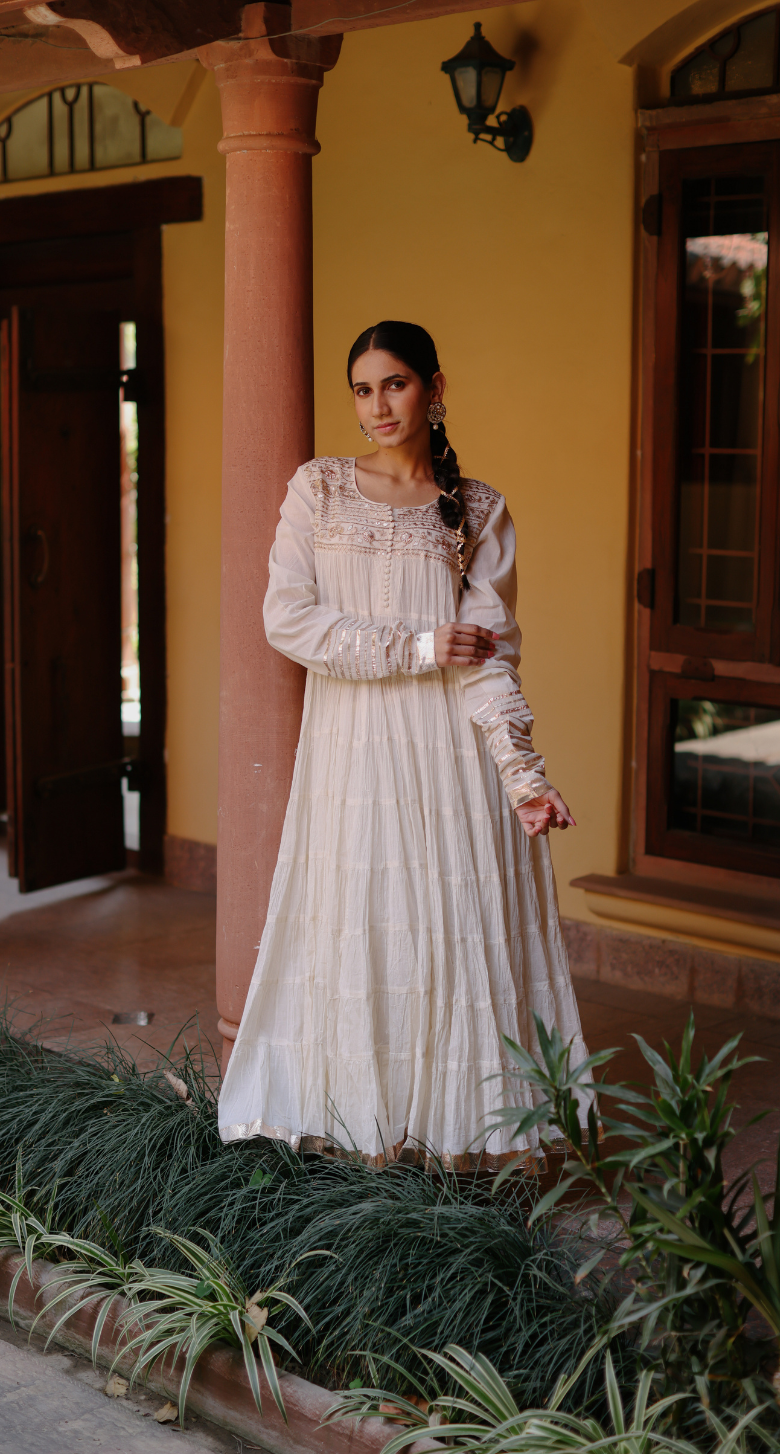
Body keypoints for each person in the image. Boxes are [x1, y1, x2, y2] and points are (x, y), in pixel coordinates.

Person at [217, 321, 588, 1172]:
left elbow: (491, 662)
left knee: (454, 940)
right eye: (361, 388)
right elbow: (289, 620)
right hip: (354, 754)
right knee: (363, 930)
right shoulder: (318, 489)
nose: (376, 405)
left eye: (394, 384)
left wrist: (524, 780)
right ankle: (362, 1133)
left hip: (452, 764)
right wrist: (419, 643)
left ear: (434, 386)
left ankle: (456, 1139)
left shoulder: (479, 511)